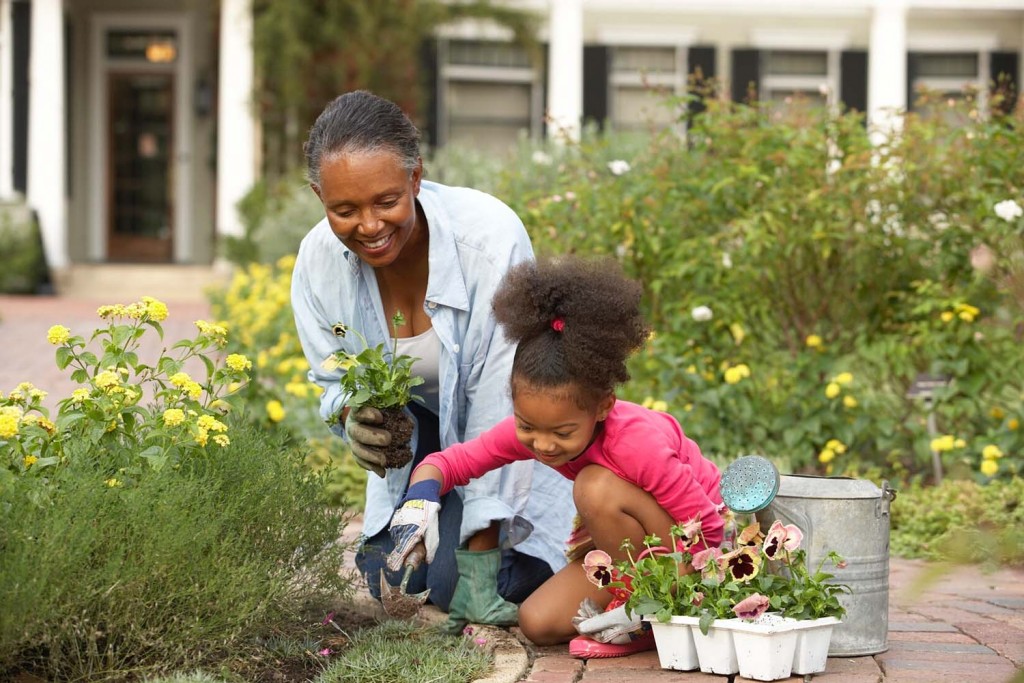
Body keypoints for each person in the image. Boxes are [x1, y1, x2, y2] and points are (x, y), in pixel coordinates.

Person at [291, 90, 575, 631]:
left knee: (449, 586)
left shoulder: (488, 240)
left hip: (516, 446)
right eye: (343, 210)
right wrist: (353, 417)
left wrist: (480, 559)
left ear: (416, 178)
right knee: (384, 576)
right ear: (318, 196)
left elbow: (503, 402)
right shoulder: (317, 262)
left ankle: (565, 558)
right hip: (422, 453)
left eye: (386, 201)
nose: (369, 226)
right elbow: (332, 379)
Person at [386, 255, 726, 658]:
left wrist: (677, 593)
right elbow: (451, 463)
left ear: (602, 406)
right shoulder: (533, 430)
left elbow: (708, 528)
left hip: (692, 550)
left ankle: (647, 613)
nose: (543, 445)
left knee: (594, 485)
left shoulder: (636, 443)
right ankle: (643, 613)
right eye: (528, 425)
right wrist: (419, 499)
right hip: (633, 552)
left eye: (563, 433)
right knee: (538, 622)